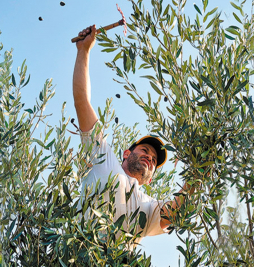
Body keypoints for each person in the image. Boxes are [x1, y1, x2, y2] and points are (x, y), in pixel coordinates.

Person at [73, 25, 194, 244]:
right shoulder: (104, 160)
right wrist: (84, 51)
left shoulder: (147, 207)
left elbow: (173, 212)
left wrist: (200, 171)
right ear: (127, 153)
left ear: (152, 177)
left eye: (155, 160)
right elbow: (82, 100)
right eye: (145, 151)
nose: (150, 158)